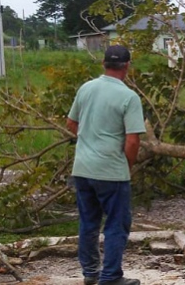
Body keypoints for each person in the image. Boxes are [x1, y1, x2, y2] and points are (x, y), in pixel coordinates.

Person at [67, 45, 146, 285]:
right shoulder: (129, 97)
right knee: (116, 224)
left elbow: (72, 124)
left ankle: (91, 273)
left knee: (88, 222)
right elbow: (133, 140)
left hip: (82, 168)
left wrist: (90, 139)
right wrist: (127, 166)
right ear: (127, 67)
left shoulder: (86, 88)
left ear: (103, 63)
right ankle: (111, 277)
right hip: (111, 170)